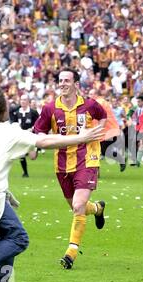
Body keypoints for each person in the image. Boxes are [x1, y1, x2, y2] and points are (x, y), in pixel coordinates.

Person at [0, 88, 104, 282]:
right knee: (18, 239)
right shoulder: (8, 132)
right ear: (0, 109)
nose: (10, 106)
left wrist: (4, 190)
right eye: (7, 103)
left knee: (9, 233)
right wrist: (81, 137)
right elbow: (45, 142)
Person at [33, 67, 107, 270]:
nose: (62, 84)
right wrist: (33, 147)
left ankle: (71, 252)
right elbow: (38, 131)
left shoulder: (90, 104)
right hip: (63, 163)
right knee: (77, 206)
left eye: (67, 80)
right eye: (60, 80)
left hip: (87, 159)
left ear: (76, 84)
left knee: (77, 205)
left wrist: (97, 133)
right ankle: (98, 209)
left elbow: (103, 117)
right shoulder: (50, 108)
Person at [10, 94, 40, 177]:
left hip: (31, 136)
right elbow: (13, 122)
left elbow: (39, 123)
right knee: (21, 154)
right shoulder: (16, 111)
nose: (22, 101)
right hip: (21, 136)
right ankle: (25, 172)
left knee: (33, 157)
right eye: (21, 100)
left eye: (24, 100)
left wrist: (32, 128)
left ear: (28, 102)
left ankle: (37, 149)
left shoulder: (33, 112)